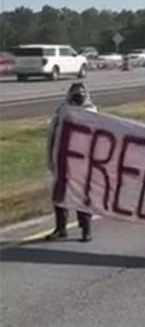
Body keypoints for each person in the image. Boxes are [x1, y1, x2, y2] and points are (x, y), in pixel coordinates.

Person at [45, 82, 98, 242]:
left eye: (81, 93)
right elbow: (53, 134)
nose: (78, 96)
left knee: (82, 196)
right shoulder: (63, 110)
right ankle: (61, 228)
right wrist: (50, 157)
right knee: (60, 194)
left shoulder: (92, 112)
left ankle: (86, 229)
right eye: (74, 93)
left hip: (82, 162)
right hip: (63, 160)